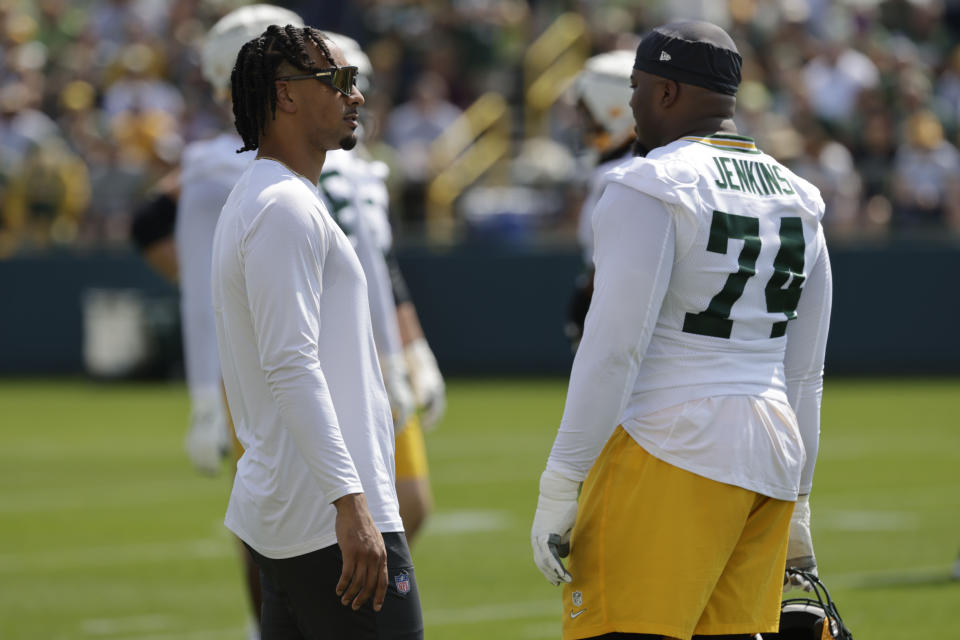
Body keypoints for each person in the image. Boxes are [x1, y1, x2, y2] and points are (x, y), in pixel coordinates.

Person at [531, 21, 832, 640]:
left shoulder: (649, 183)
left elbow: (614, 348)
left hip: (668, 445)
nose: (633, 103)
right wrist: (799, 497)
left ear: (665, 91)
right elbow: (803, 370)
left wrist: (562, 478)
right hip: (772, 455)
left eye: (638, 86)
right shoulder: (802, 197)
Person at [212, 23, 423, 638]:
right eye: (339, 80)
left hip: (295, 513)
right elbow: (290, 364)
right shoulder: (283, 205)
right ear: (286, 95)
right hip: (327, 517)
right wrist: (350, 503)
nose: (355, 96)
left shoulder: (269, 196)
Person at [565, 49, 638, 352]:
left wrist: (588, 298)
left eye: (587, 111)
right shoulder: (612, 166)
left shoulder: (624, 172)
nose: (581, 121)